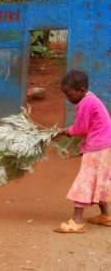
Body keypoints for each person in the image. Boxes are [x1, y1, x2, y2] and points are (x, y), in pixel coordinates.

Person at [55, 69, 111, 233]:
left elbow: (81, 128)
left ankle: (77, 221)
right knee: (98, 180)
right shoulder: (91, 98)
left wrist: (65, 131)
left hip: (98, 148)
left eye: (69, 95)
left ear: (81, 91)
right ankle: (106, 215)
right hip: (103, 147)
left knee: (85, 181)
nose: (68, 98)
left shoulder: (85, 103)